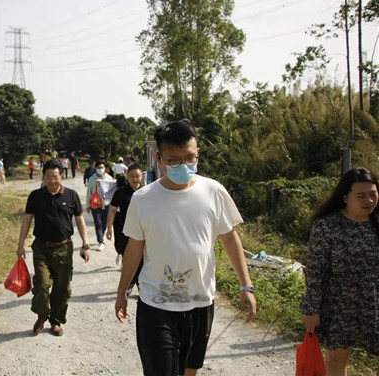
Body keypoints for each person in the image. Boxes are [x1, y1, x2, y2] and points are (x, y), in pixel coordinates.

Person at [114, 119, 256, 376]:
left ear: (198, 152)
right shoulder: (143, 199)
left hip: (200, 302)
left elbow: (230, 239)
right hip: (155, 304)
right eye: (174, 160)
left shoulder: (214, 191)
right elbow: (134, 249)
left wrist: (246, 285)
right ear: (159, 159)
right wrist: (122, 290)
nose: (183, 166)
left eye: (189, 158)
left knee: (189, 371)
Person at [301, 167, 379, 375]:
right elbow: (315, 270)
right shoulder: (327, 225)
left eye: (373, 194)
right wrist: (311, 309)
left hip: (375, 299)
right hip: (340, 303)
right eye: (361, 196)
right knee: (336, 359)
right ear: (345, 197)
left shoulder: (376, 222)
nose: (369, 201)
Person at [17, 159, 91, 337]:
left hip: (64, 249)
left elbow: (80, 220)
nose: (51, 181)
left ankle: (56, 320)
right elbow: (27, 220)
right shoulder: (35, 196)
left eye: (55, 177)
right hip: (41, 248)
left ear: (61, 177)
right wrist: (20, 245)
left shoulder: (71, 195)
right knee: (42, 284)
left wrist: (85, 244)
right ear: (43, 178)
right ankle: (42, 314)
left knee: (62, 288)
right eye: (48, 177)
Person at [106, 162, 143, 292]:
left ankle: (139, 284)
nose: (135, 179)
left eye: (137, 176)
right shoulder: (120, 193)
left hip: (143, 230)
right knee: (127, 256)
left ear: (141, 177)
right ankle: (130, 283)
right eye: (132, 176)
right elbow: (112, 210)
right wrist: (109, 228)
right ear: (127, 176)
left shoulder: (147, 192)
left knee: (142, 258)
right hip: (124, 230)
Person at [86, 160, 115, 251]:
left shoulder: (109, 178)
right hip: (95, 205)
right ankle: (101, 241)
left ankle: (101, 236)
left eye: (101, 168)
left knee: (104, 223)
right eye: (98, 168)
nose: (100, 169)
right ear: (95, 168)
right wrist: (88, 205)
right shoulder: (92, 179)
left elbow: (112, 192)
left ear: (105, 168)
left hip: (106, 205)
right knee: (98, 223)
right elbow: (89, 193)